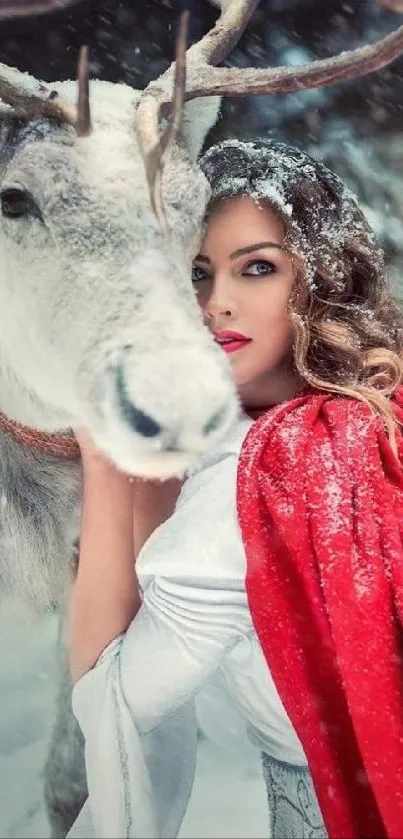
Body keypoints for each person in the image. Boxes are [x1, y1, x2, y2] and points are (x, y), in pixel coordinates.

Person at [66, 139, 403, 839]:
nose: (217, 302)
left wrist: (104, 458)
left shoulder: (261, 481)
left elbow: (116, 698)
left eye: (255, 268)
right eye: (194, 273)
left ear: (320, 277)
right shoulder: (377, 417)